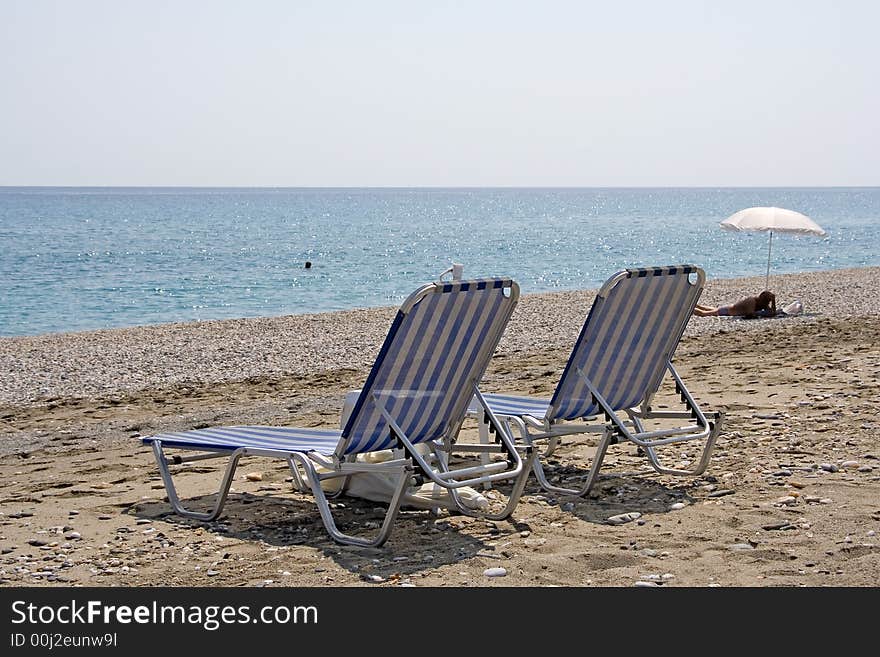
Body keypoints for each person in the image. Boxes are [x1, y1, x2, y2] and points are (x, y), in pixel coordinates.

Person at [693, 290, 776, 318]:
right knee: (702, 313)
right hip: (727, 311)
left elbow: (772, 313)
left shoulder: (761, 303)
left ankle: (694, 305)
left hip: (729, 308)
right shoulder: (752, 301)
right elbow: (750, 314)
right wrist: (761, 314)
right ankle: (688, 309)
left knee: (706, 309)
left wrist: (773, 301)